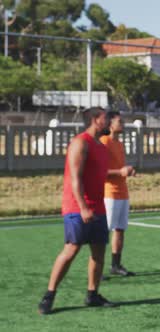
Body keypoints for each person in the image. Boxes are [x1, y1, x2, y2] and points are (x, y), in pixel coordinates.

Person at [38, 107, 115, 315]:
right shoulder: (80, 143)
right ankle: (49, 295)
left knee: (99, 253)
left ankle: (92, 294)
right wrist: (83, 207)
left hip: (98, 208)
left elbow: (99, 174)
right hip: (78, 208)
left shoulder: (101, 146)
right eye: (106, 118)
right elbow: (75, 177)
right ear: (95, 120)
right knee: (71, 249)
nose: (110, 122)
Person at [100, 111, 136, 277]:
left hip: (123, 193)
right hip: (109, 194)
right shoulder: (104, 142)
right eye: (119, 121)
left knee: (120, 229)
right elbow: (100, 172)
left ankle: (115, 265)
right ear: (110, 124)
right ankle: (98, 268)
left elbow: (118, 169)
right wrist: (120, 172)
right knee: (104, 232)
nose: (123, 124)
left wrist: (127, 172)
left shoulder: (119, 144)